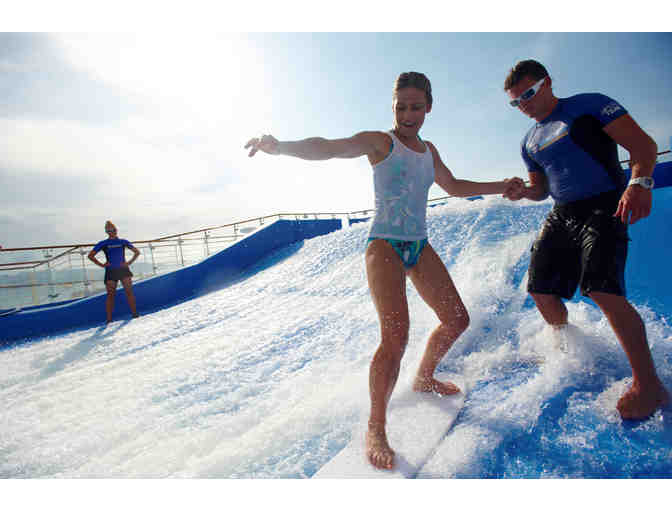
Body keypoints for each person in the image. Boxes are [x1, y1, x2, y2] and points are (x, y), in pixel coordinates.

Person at [245, 72, 524, 470]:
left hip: (418, 245)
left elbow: (455, 186)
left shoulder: (429, 151)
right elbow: (329, 148)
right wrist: (281, 147)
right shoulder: (381, 142)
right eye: (400, 107)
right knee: (396, 336)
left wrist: (502, 185)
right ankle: (376, 426)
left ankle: (423, 377)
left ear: (429, 107)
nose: (408, 114)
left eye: (416, 107)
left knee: (457, 319)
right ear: (392, 107)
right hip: (385, 246)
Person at [502, 59, 669, 420]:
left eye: (528, 94)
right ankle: (568, 350)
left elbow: (643, 145)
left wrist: (640, 183)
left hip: (604, 203)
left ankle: (649, 385)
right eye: (516, 102)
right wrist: (523, 192)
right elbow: (540, 190)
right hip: (563, 212)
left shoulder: (589, 106)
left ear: (547, 83)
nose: (523, 105)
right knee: (540, 291)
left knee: (600, 289)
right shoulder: (528, 142)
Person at [88, 220, 141, 324]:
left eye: (113, 229)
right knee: (110, 296)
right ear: (106, 232)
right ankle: (109, 320)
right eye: (109, 230)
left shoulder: (123, 241)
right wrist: (102, 265)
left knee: (129, 292)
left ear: (116, 230)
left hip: (123, 270)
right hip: (111, 271)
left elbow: (137, 252)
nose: (112, 231)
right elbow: (90, 256)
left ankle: (135, 314)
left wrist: (129, 262)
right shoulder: (103, 243)